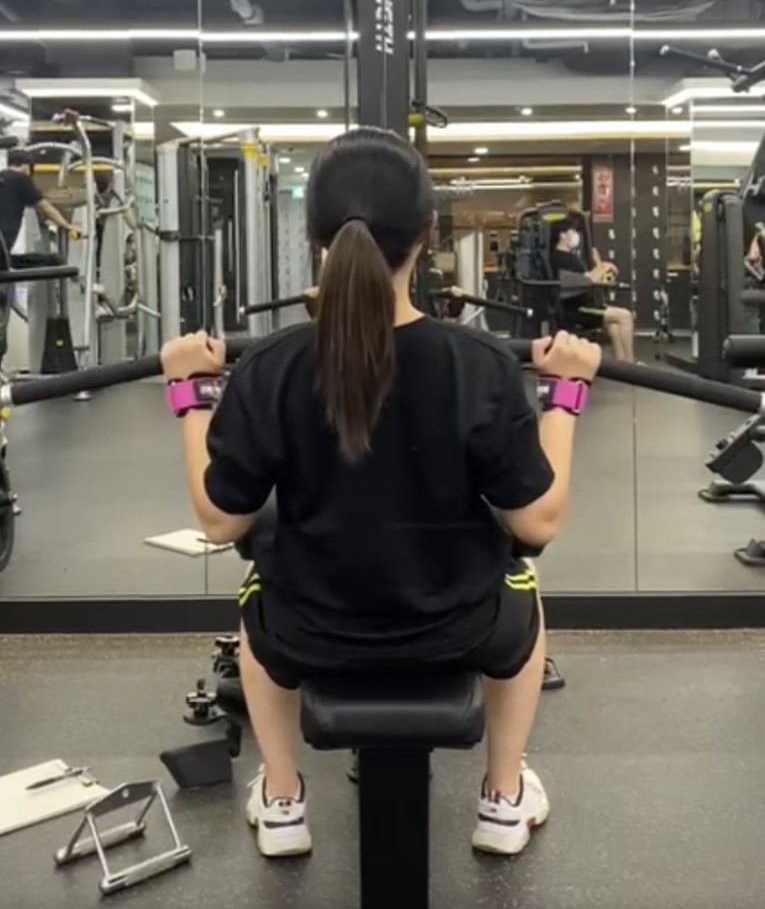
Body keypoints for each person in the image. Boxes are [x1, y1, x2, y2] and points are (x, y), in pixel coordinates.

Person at [160, 128, 601, 860]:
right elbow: (537, 522)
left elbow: (219, 521)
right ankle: (502, 797)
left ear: (316, 240)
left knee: (255, 588)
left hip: (306, 628)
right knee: (522, 581)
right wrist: (566, 393)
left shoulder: (272, 365)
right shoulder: (478, 363)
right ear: (426, 236)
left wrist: (189, 391)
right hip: (460, 625)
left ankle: (281, 799)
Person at [549, 217, 635, 363]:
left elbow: (586, 277)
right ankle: (632, 363)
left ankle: (622, 365)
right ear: (562, 235)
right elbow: (585, 280)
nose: (576, 235)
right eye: (572, 231)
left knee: (615, 326)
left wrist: (601, 266)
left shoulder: (570, 257)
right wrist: (603, 267)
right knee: (625, 316)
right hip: (578, 309)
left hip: (586, 304)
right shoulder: (560, 258)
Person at [0, 149, 80, 254]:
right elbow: (45, 207)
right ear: (26, 166)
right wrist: (67, 225)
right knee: (52, 260)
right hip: (4, 242)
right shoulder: (22, 179)